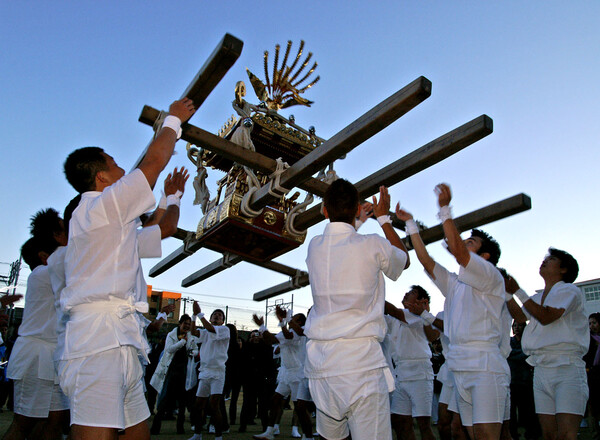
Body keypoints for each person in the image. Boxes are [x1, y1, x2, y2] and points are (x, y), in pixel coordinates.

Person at [58, 97, 195, 440]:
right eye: (115, 164)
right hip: (96, 344)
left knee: (137, 435)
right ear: (102, 178)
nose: (123, 169)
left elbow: (163, 230)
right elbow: (153, 161)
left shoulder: (114, 228)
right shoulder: (99, 210)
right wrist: (172, 121)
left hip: (123, 341)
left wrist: (172, 198)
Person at [397, 183, 508, 440]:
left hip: (485, 365)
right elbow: (426, 261)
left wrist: (445, 209)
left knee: (487, 435)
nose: (463, 242)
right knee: (468, 432)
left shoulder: (490, 275)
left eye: (471, 241)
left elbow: (458, 252)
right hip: (459, 365)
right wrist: (410, 224)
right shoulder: (455, 284)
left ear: (486, 256)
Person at [304, 181, 410, 440]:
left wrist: (356, 219)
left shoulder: (314, 246)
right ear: (355, 209)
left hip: (321, 368)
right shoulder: (373, 243)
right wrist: (383, 217)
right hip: (361, 366)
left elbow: (342, 244)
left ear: (324, 211)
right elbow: (403, 260)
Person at [506, 248, 588, 440]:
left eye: (551, 259)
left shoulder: (570, 290)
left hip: (567, 368)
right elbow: (519, 316)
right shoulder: (538, 297)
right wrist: (507, 294)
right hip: (541, 370)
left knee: (566, 435)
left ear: (564, 269)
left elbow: (546, 316)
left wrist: (518, 290)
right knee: (549, 435)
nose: (544, 261)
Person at [3, 209, 69, 440]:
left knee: (54, 422)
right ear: (43, 255)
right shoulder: (43, 272)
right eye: (63, 230)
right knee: (24, 425)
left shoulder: (54, 269)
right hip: (35, 356)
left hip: (54, 357)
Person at [385, 286, 439, 440]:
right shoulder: (395, 319)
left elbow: (392, 310)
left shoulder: (419, 317)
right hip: (401, 374)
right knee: (400, 421)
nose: (406, 293)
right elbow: (383, 315)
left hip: (419, 374)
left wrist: (372, 290)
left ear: (420, 302)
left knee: (423, 425)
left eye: (412, 293)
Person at [253, 307, 314, 440]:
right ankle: (270, 431)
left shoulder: (302, 332)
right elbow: (271, 340)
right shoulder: (289, 331)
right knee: (275, 400)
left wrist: (283, 320)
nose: (291, 320)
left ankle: (307, 436)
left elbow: (289, 336)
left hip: (299, 374)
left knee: (300, 408)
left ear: (300, 322)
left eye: (294, 319)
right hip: (286, 373)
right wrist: (262, 326)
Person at [149, 314, 199, 435]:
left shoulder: (190, 336)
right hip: (171, 370)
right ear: (179, 323)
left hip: (183, 371)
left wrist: (192, 352)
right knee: (164, 399)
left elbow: (195, 348)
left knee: (182, 402)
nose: (187, 326)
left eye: (189, 324)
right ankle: (156, 427)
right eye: (185, 323)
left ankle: (180, 428)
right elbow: (170, 349)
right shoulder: (172, 335)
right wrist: (182, 341)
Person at [188, 305, 230, 440]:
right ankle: (197, 435)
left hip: (218, 372)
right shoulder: (205, 331)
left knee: (214, 405)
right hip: (205, 371)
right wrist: (194, 316)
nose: (217, 316)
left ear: (223, 320)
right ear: (210, 318)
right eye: (214, 315)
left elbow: (211, 329)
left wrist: (200, 314)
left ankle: (218, 436)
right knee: (198, 405)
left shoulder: (224, 330)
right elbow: (194, 332)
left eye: (219, 315)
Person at [507, 320, 540, 440]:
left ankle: (531, 434)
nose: (516, 328)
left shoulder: (529, 341)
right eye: (514, 326)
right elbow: (508, 353)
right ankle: (513, 434)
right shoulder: (509, 342)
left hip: (526, 381)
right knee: (511, 412)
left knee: (528, 411)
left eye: (519, 325)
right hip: (512, 381)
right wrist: (523, 354)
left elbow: (531, 354)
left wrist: (521, 355)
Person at [585, 313, 600, 439]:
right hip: (592, 375)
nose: (591, 326)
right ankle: (595, 431)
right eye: (590, 323)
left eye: (594, 323)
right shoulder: (588, 339)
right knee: (593, 405)